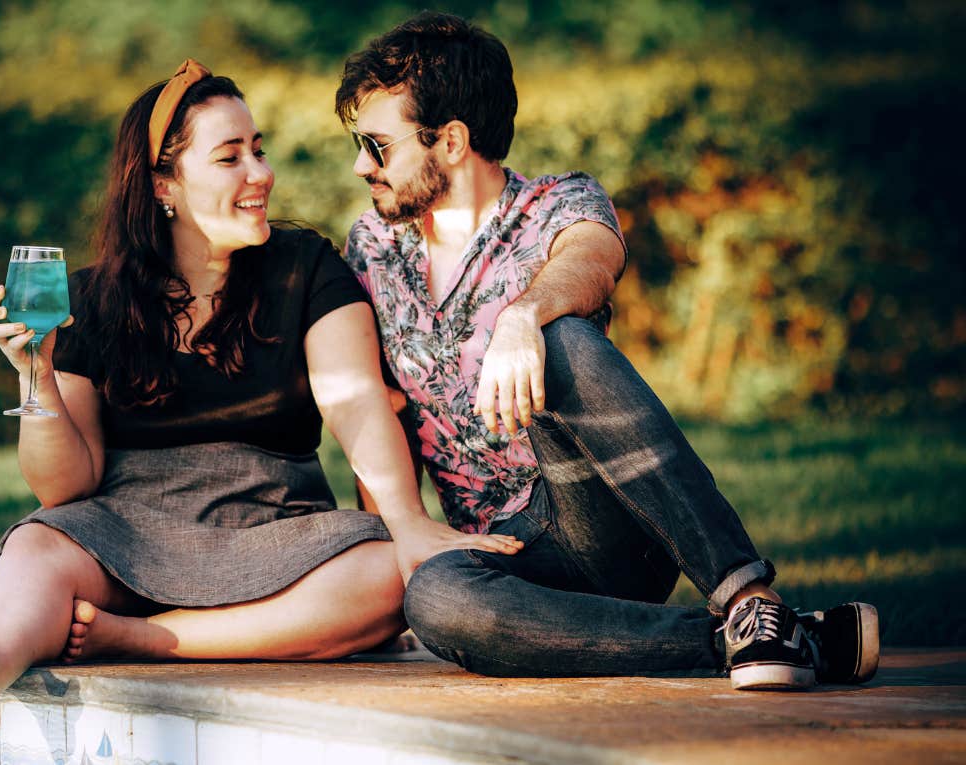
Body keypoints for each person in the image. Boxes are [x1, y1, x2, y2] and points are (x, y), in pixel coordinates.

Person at [0, 59, 519, 741]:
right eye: (230, 157)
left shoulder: (307, 268)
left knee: (390, 574)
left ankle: (152, 638)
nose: (261, 174)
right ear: (165, 186)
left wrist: (407, 519)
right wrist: (34, 371)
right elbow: (66, 484)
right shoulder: (91, 299)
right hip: (126, 531)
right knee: (39, 547)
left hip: (277, 530)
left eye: (259, 150)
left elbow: (356, 399)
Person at [333, 12, 880, 690]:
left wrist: (523, 317)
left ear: (450, 141)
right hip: (505, 555)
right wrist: (399, 542)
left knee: (560, 338)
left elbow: (592, 259)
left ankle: (747, 598)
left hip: (608, 518)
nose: (361, 165)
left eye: (378, 146)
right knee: (436, 598)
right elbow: (377, 407)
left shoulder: (559, 203)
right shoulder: (373, 247)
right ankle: (757, 641)